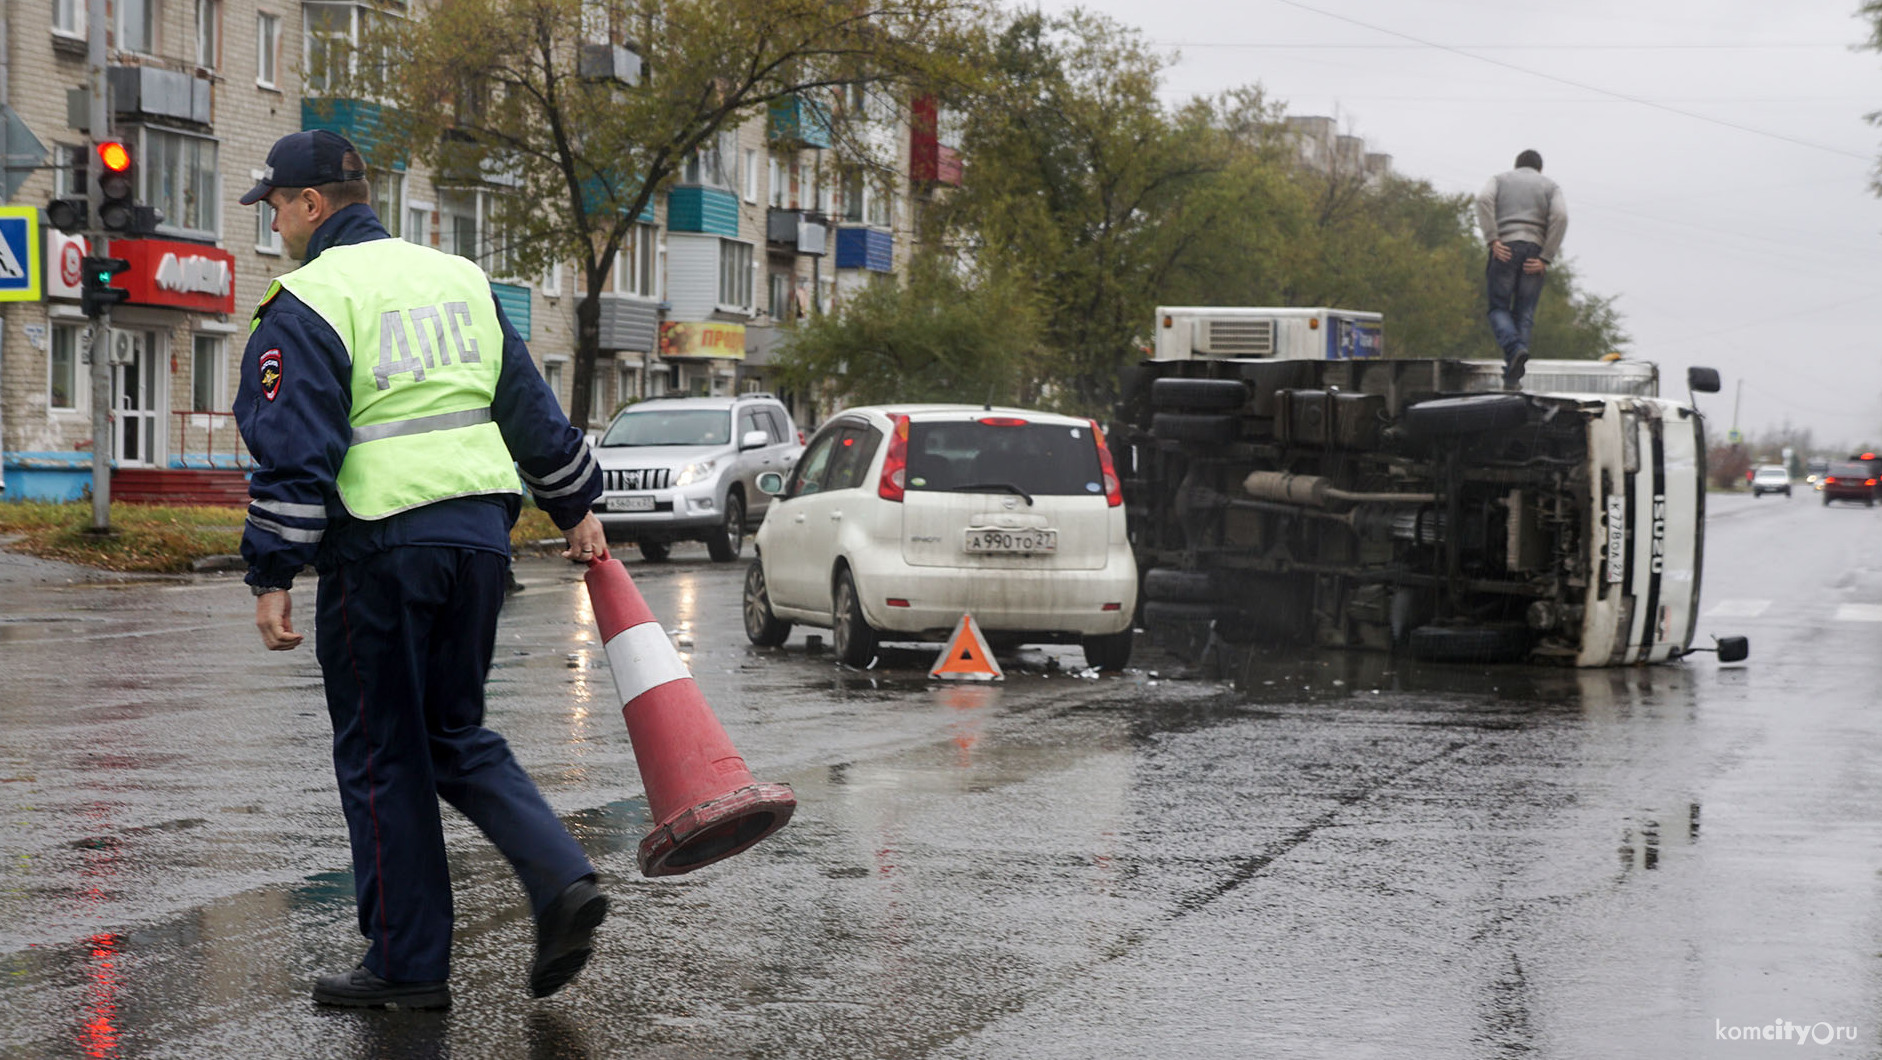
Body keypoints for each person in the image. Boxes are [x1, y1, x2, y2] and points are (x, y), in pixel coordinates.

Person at [233, 130, 610, 1010]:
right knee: (452, 733)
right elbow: (529, 409)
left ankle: (407, 967)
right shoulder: (460, 279)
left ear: (314, 205)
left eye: (279, 206)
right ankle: (560, 877)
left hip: (380, 549)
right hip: (478, 541)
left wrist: (273, 572)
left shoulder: (309, 298)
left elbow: (297, 449)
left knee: (382, 756)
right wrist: (575, 507)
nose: (277, 221)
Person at [1475, 149, 1568, 389]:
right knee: (1524, 313)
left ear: (1516, 165)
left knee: (1498, 308)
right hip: (1534, 253)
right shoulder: (1550, 186)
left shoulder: (1499, 179)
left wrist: (1493, 239)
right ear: (1540, 169)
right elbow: (1560, 216)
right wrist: (1546, 257)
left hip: (1504, 248)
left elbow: (1482, 199)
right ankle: (1513, 378)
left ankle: (1515, 349)